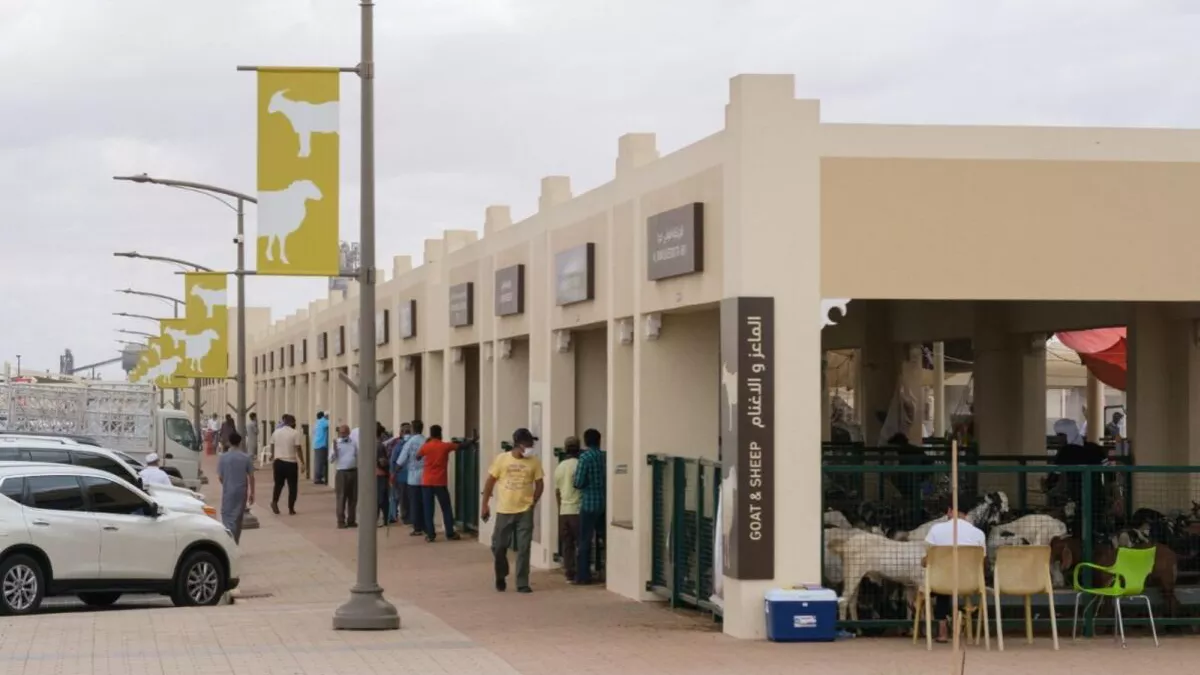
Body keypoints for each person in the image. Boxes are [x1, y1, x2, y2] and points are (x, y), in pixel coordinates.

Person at [482, 428, 544, 593]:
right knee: (498, 546)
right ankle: (501, 574)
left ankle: (522, 582)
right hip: (505, 509)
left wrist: (534, 501)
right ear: (519, 445)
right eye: (528, 444)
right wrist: (485, 504)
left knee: (524, 547)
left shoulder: (534, 462)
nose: (531, 447)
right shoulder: (502, 460)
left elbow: (539, 484)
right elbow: (490, 482)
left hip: (525, 510)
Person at [923, 497, 987, 644]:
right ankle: (965, 625)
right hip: (969, 584)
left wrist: (923, 561)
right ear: (966, 514)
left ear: (950, 511)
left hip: (942, 584)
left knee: (942, 585)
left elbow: (928, 560)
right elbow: (981, 563)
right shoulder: (978, 533)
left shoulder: (936, 529)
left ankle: (943, 630)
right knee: (953, 581)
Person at [417, 424, 461, 542]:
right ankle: (450, 533)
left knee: (428, 509)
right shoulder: (445, 446)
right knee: (446, 508)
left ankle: (431, 535)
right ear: (440, 434)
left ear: (431, 434)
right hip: (440, 482)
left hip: (426, 482)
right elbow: (459, 447)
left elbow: (417, 456)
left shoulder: (426, 446)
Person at [573, 428, 606, 585]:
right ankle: (606, 570)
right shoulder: (604, 456)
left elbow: (578, 482)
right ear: (599, 440)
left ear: (585, 441)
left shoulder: (584, 457)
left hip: (589, 503)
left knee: (585, 539)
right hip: (604, 502)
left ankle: (583, 575)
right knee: (604, 538)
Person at [217, 430, 255, 543]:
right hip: (241, 490)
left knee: (227, 514)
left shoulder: (223, 458)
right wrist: (252, 493)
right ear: (240, 442)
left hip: (228, 489)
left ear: (229, 442)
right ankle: (235, 540)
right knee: (238, 517)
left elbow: (220, 477)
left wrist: (226, 484)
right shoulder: (246, 457)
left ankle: (228, 539)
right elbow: (251, 476)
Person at [554, 436, 583, 581]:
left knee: (567, 544)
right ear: (579, 449)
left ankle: (569, 572)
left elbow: (557, 491)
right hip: (577, 509)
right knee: (581, 542)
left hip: (564, 510)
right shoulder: (580, 464)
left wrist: (561, 509)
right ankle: (581, 572)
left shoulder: (560, 466)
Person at [395, 420, 427, 537]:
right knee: (424, 502)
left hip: (413, 478)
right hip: (425, 476)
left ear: (413, 429)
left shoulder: (410, 442)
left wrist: (395, 471)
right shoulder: (425, 441)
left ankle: (417, 527)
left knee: (414, 503)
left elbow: (402, 459)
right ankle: (425, 526)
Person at [270, 413, 305, 515]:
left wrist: (273, 455)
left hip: (278, 462)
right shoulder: (295, 433)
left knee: (278, 485)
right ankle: (291, 508)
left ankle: (275, 501)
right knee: (292, 487)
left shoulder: (276, 432)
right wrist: (302, 462)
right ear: (293, 422)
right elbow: (298, 448)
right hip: (291, 462)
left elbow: (272, 443)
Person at [330, 424, 358, 528]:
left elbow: (357, 454)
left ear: (348, 432)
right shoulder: (336, 443)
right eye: (340, 432)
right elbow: (331, 460)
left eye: (344, 432)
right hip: (342, 472)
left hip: (353, 471)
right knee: (341, 497)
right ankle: (341, 521)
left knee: (353, 498)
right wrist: (335, 451)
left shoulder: (353, 443)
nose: (342, 434)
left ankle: (351, 520)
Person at [388, 423, 413, 524]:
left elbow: (394, 460)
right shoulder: (400, 444)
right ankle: (405, 516)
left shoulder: (399, 444)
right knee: (405, 497)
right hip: (407, 475)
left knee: (403, 497)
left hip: (404, 474)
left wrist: (393, 473)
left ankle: (406, 516)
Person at [374, 422, 391, 526]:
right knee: (382, 498)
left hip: (378, 474)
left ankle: (381, 519)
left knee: (380, 498)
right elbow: (382, 461)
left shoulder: (375, 445)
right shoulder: (379, 445)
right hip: (380, 474)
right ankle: (384, 518)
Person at [312, 412, 330, 485]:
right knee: (320, 463)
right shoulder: (323, 421)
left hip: (317, 444)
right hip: (321, 444)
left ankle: (318, 477)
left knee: (318, 462)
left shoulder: (316, 423)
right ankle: (318, 478)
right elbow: (330, 423)